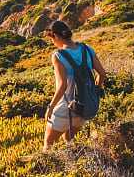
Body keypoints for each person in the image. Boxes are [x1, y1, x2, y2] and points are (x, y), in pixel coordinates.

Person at [43, 20, 107, 150]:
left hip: (65, 108)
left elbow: (62, 86)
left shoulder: (58, 55)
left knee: (48, 145)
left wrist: (50, 107)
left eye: (52, 39)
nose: (53, 43)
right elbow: (102, 74)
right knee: (69, 139)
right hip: (83, 107)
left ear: (55, 36)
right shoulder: (87, 49)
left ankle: (48, 169)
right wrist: (95, 91)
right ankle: (74, 165)